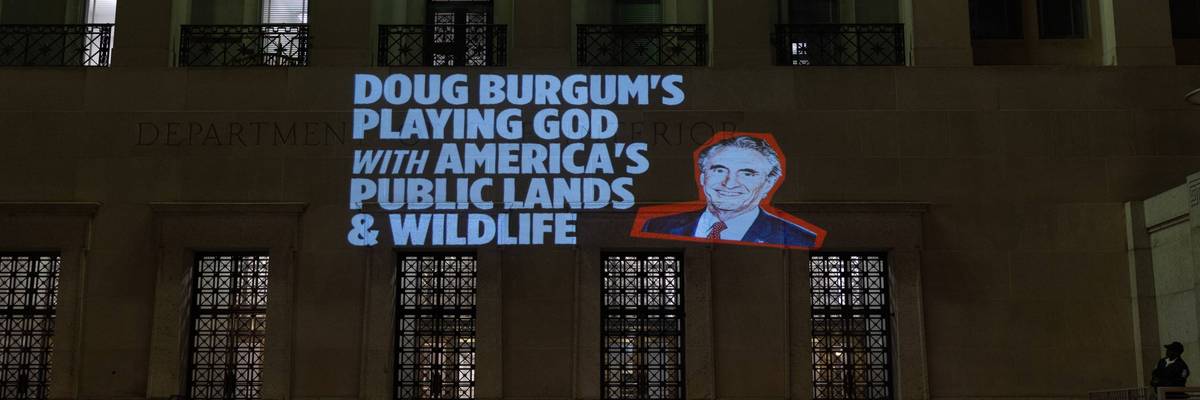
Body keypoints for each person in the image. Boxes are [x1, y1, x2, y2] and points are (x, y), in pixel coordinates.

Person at [639, 134, 819, 247]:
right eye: (719, 170)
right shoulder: (656, 226)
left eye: (747, 173)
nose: (730, 183)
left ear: (768, 185)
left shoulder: (799, 239)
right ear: (702, 177)